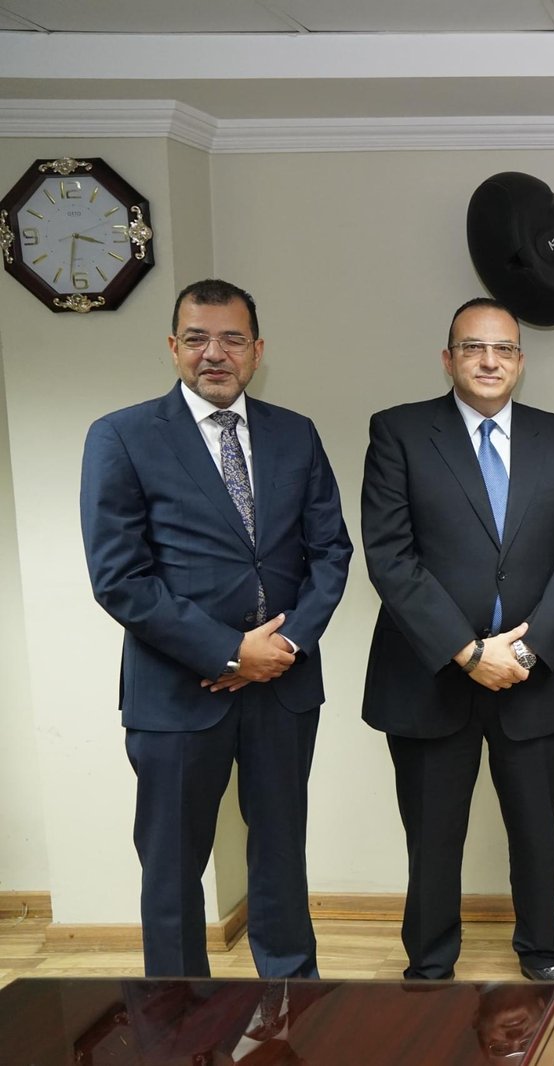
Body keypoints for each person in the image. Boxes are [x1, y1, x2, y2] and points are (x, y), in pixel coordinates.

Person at [80, 278, 351, 978]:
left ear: (257, 350)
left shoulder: (296, 433)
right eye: (198, 338)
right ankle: (176, 1017)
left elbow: (331, 552)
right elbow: (120, 577)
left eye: (232, 339)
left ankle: (289, 1003)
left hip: (283, 688)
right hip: (176, 693)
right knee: (172, 867)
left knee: (281, 854)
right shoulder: (121, 436)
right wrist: (228, 651)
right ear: (174, 347)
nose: (214, 353)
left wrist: (284, 646)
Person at [360, 297, 554, 1010]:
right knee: (433, 836)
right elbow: (391, 557)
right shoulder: (400, 433)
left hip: (534, 677)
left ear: (521, 362)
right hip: (431, 676)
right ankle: (430, 967)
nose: (490, 360)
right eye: (473, 347)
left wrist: (523, 653)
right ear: (448, 359)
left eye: (504, 349)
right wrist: (468, 653)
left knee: (537, 830)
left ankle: (545, 955)